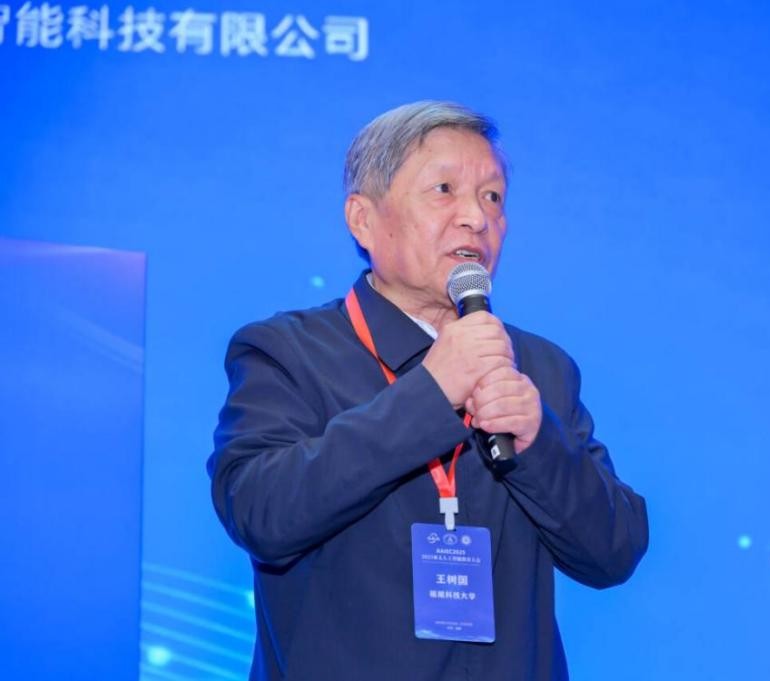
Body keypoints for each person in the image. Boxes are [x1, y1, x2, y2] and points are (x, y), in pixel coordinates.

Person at [207, 101, 648, 681]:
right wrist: (430, 394)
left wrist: (540, 442)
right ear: (363, 219)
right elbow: (259, 513)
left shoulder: (539, 366)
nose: (476, 218)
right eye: (444, 190)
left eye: (493, 197)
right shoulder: (287, 352)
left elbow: (614, 552)